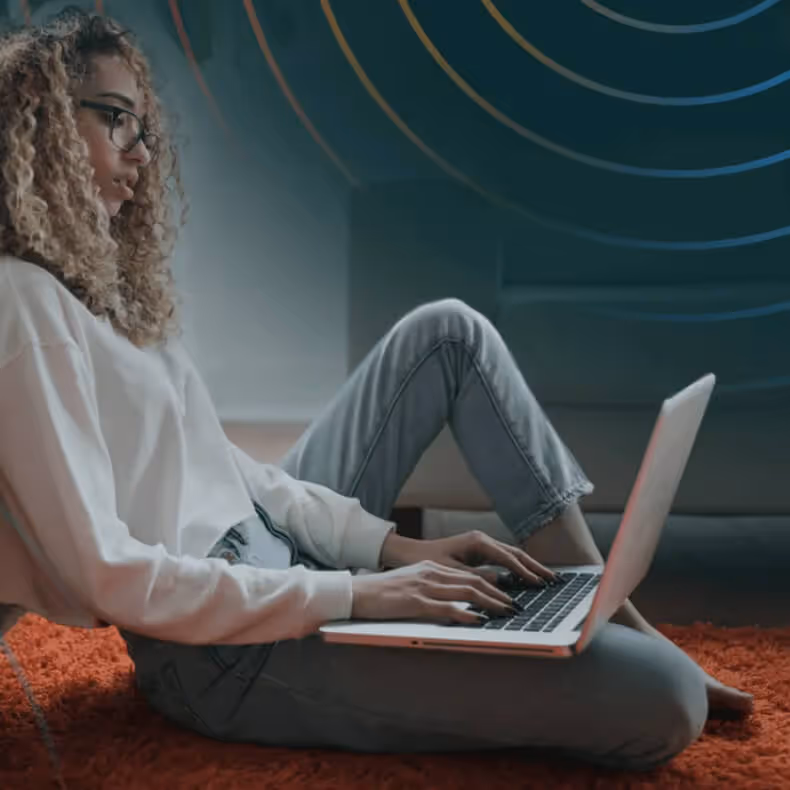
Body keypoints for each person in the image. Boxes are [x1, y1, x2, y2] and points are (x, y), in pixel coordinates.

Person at [0, 8, 752, 771]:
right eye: (118, 120)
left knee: (449, 332)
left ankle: (604, 607)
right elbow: (106, 572)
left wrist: (389, 548)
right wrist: (354, 596)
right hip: (223, 651)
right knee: (665, 699)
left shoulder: (109, 294)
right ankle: (614, 639)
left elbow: (234, 474)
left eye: (145, 128)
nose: (141, 152)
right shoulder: (22, 304)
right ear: (44, 126)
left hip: (277, 560)